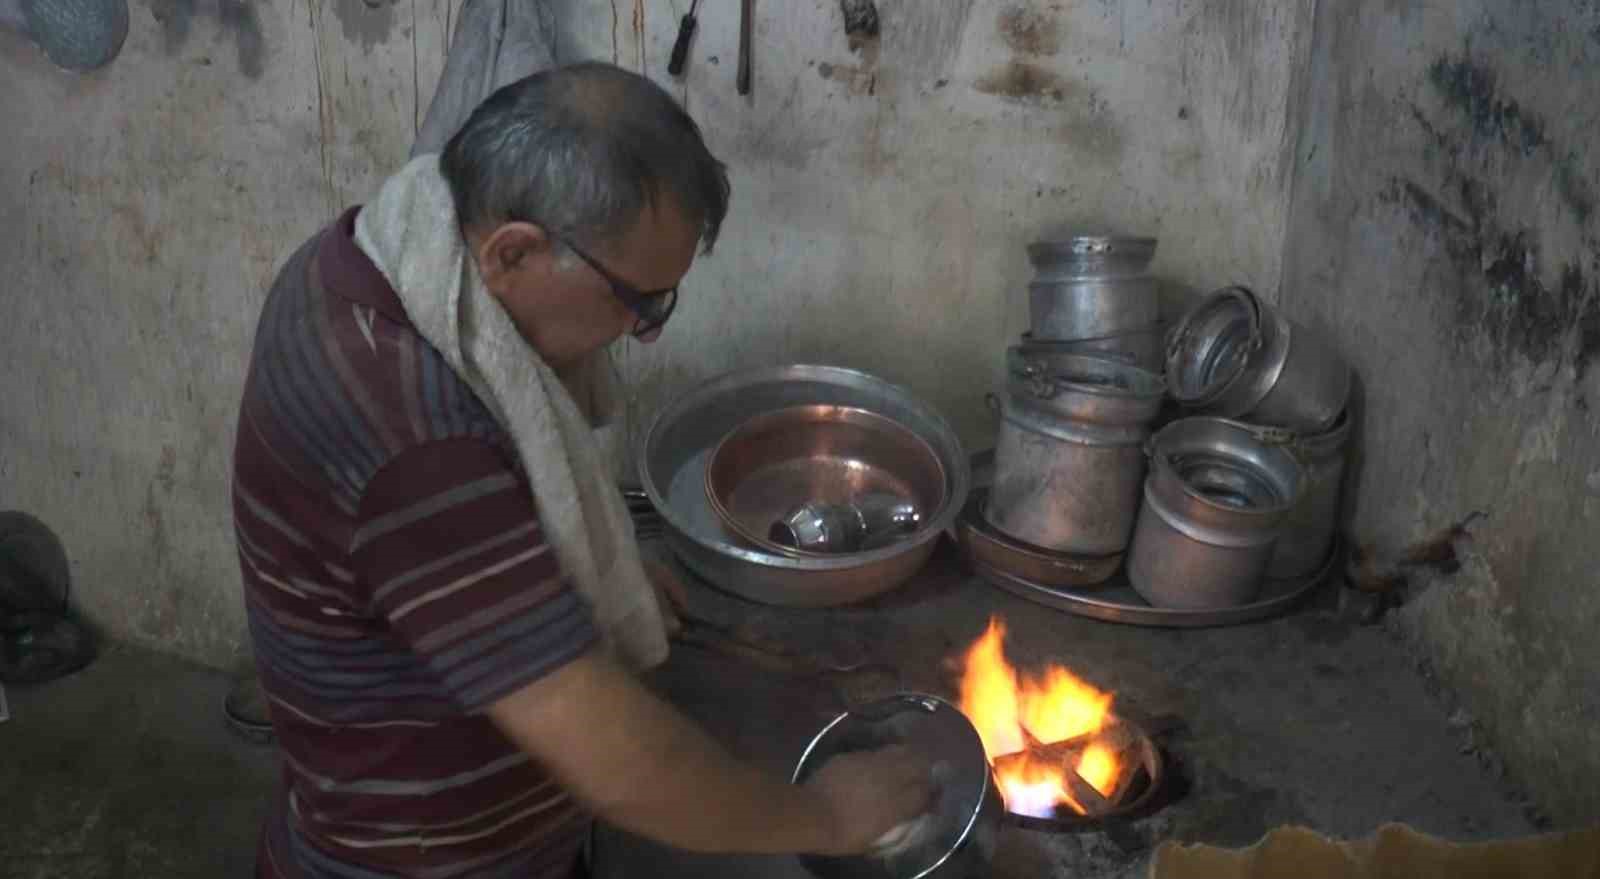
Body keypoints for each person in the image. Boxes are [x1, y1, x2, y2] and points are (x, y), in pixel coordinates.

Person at [231, 62, 932, 878]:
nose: (646, 334)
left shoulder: (367, 255)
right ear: (513, 252)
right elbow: (621, 766)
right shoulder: (417, 439)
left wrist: (581, 568)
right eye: (640, 302)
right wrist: (828, 814)